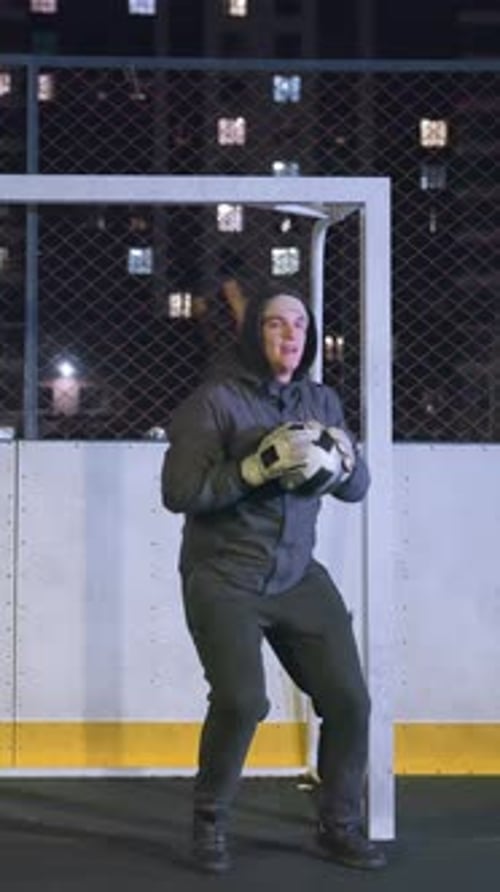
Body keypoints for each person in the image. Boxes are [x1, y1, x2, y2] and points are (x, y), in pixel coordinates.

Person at [161, 291, 387, 874]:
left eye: (300, 324)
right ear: (252, 334)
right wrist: (254, 468)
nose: (291, 335)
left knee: (349, 701)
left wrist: (343, 457)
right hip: (223, 575)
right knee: (243, 701)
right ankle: (209, 820)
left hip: (295, 575)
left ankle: (338, 824)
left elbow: (356, 490)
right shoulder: (213, 402)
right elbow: (180, 494)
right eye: (275, 324)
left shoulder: (321, 400)